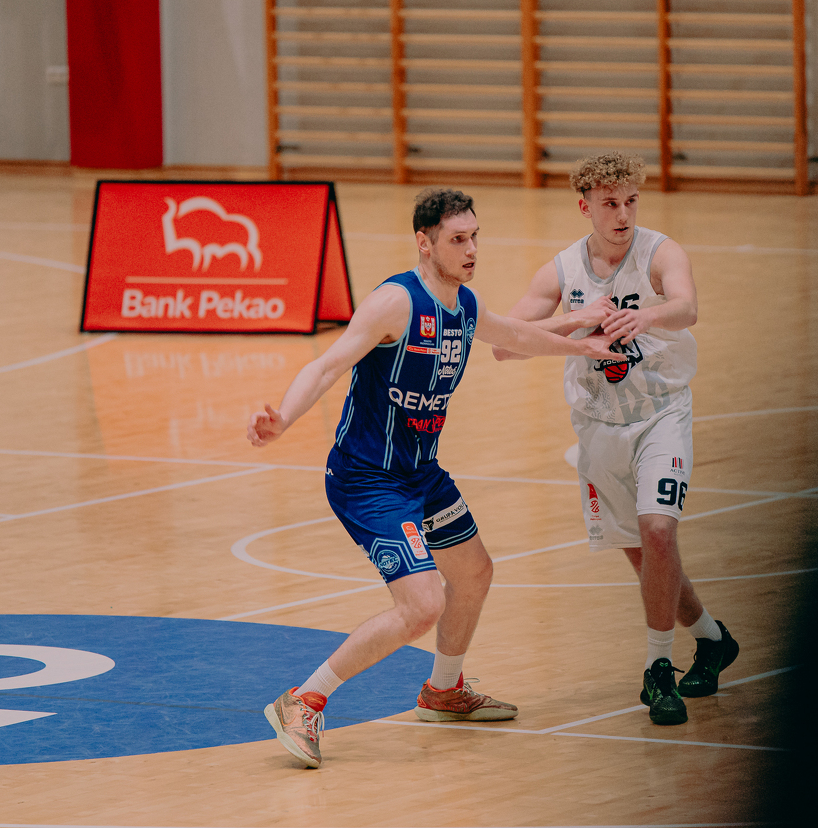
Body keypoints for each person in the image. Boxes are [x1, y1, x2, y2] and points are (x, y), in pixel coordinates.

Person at [246, 187, 626, 768]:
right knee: (422, 606)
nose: (471, 250)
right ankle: (303, 700)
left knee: (473, 574)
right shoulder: (395, 302)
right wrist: (284, 420)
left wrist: (583, 336)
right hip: (367, 479)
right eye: (457, 239)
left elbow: (513, 334)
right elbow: (327, 364)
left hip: (421, 473)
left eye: (474, 237)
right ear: (424, 243)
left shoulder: (465, 305)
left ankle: (444, 691)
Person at [491, 152, 738, 727]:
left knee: (659, 530)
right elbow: (504, 343)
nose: (623, 214)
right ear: (585, 208)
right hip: (598, 424)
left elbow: (687, 307)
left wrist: (647, 317)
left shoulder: (660, 252)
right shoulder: (561, 271)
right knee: (644, 550)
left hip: (660, 414)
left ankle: (657, 667)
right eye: (610, 203)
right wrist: (572, 320)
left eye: (630, 201)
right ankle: (712, 639)